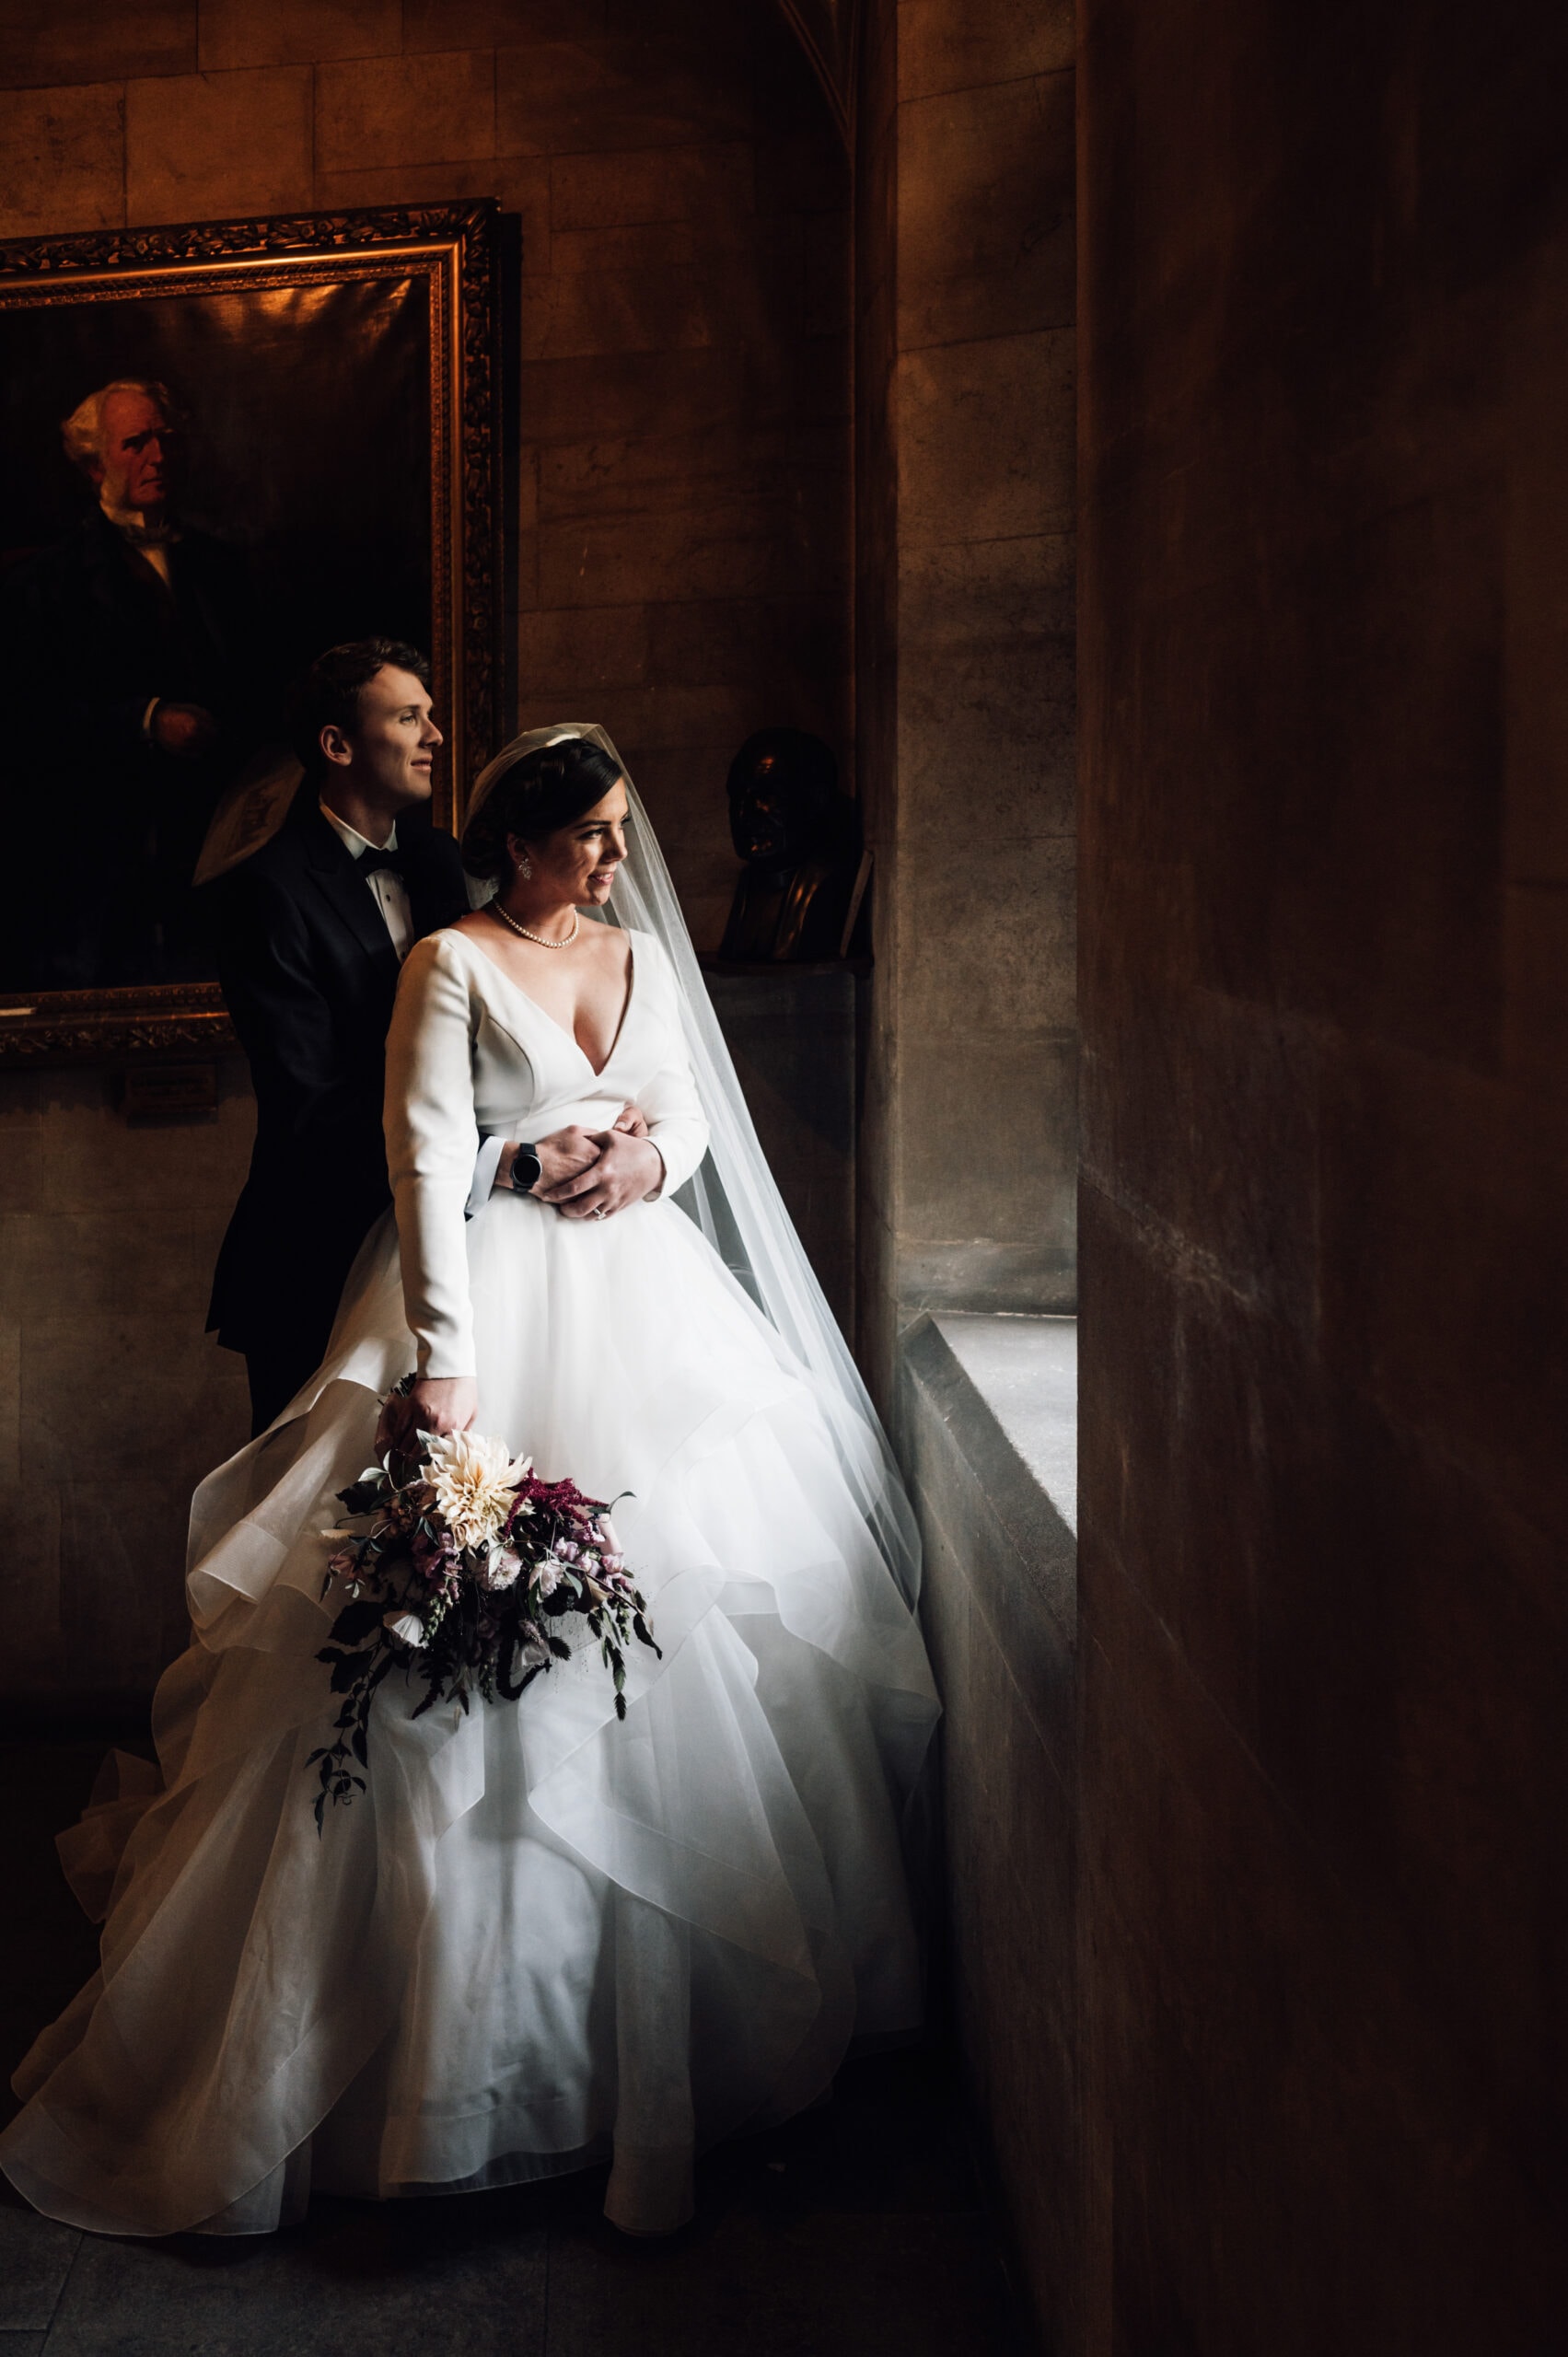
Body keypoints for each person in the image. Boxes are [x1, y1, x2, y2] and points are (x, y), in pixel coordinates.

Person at [0, 726, 939, 2243]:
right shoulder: (448, 961)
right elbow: (425, 1157)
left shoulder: (637, 955)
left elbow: (689, 1115)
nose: (616, 862)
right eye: (589, 838)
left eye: (621, 834)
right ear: (520, 841)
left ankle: (675, 2049)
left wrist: (643, 1169)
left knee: (675, 1626)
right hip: (492, 1305)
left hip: (646, 1306)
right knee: (439, 1654)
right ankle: (420, 2072)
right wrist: (444, 1363)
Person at [207, 642, 642, 1437]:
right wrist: (506, 1159)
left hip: (463, 1244)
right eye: (409, 717)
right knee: (332, 1520)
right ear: (338, 746)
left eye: (432, 715)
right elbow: (309, 1101)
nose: (436, 735)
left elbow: (503, 1015)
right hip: (321, 1244)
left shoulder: (441, 862)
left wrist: (600, 1113)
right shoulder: (262, 894)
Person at [1, 378, 259, 985]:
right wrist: (146, 719)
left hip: (216, 838)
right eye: (135, 443)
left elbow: (255, 686)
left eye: (164, 440)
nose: (158, 457)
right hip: (101, 847)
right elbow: (23, 719)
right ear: (94, 467)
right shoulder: (45, 584)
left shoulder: (219, 567)